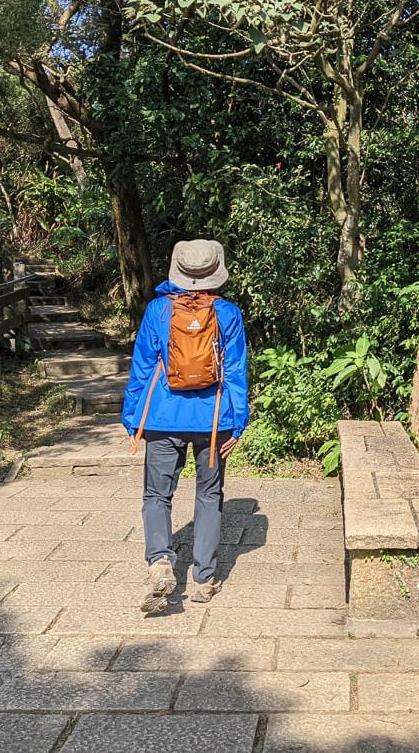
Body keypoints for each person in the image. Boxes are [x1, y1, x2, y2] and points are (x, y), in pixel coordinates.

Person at [121, 239, 249, 613]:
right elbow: (236, 371)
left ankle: (160, 561)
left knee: (157, 495)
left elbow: (143, 366)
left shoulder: (158, 311)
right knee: (209, 495)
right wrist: (238, 422)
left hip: (162, 417)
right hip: (213, 421)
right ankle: (203, 580)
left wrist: (132, 417)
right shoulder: (227, 314)